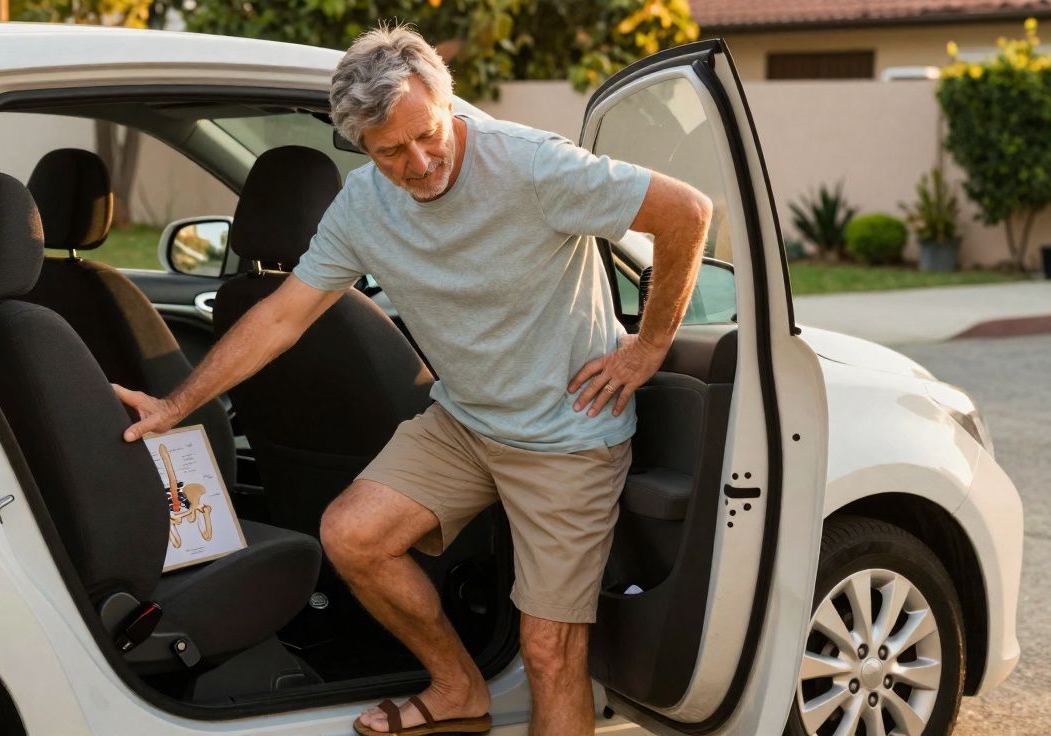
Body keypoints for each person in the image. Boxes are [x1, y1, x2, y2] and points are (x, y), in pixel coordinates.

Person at [112, 24, 711, 736]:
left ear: (448, 104)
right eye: (390, 150)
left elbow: (687, 212)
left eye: (428, 134)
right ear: (360, 146)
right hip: (466, 422)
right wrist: (176, 404)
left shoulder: (533, 165)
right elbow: (281, 317)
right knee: (353, 535)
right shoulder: (364, 206)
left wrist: (649, 345)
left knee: (550, 652)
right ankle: (458, 684)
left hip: (567, 432)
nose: (420, 162)